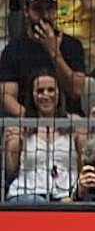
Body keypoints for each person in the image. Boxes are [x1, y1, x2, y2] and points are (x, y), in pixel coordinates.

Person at [0, 0, 86, 116]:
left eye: (50, 9)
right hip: (26, 120)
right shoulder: (13, 50)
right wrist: (34, 120)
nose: (45, 16)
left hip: (68, 119)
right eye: (38, 9)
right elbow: (8, 97)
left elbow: (76, 90)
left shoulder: (72, 45)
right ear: (26, 10)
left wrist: (55, 53)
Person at [2, 71, 83, 203]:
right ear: (32, 95)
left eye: (50, 90)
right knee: (39, 203)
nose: (45, 95)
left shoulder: (75, 124)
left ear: (59, 93)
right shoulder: (21, 126)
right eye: (40, 91)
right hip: (27, 193)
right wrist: (10, 145)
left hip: (69, 193)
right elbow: (10, 171)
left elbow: (84, 167)